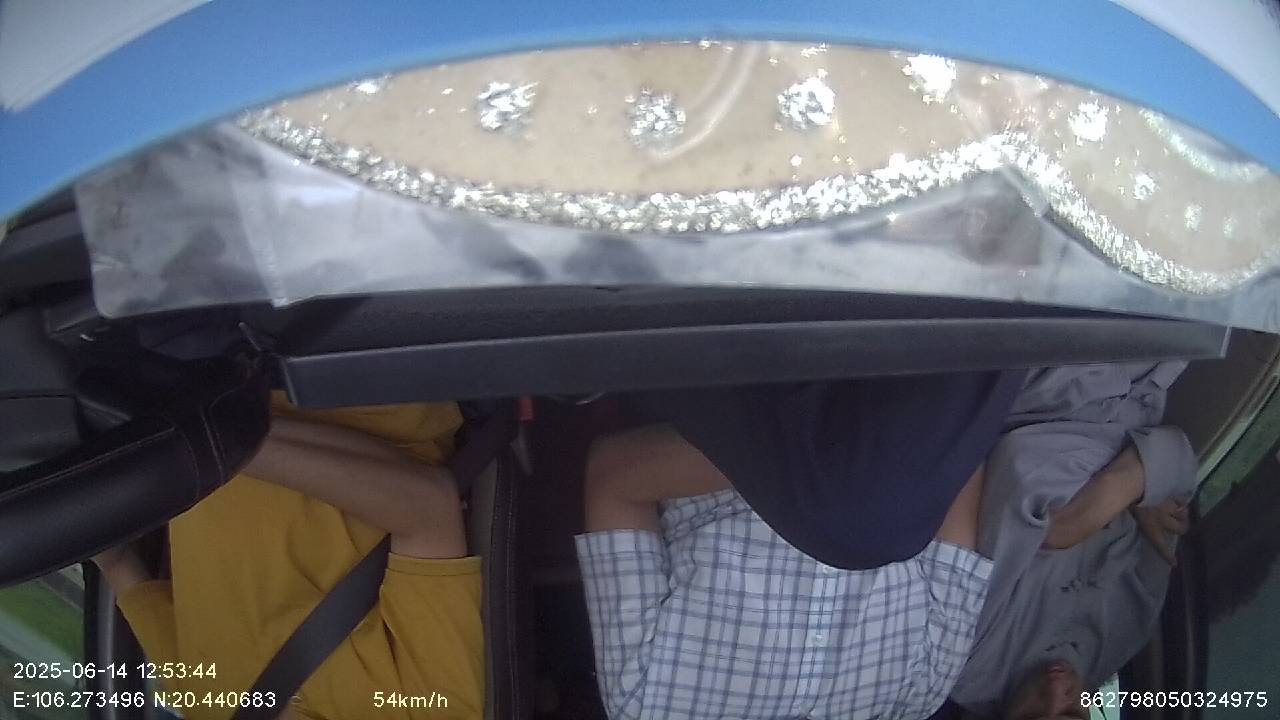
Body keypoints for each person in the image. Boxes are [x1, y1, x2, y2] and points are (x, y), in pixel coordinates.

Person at [576, 370, 1026, 720]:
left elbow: (613, 477)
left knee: (858, 523)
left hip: (740, 381)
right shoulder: (921, 694)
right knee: (867, 517)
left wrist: (804, 467)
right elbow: (959, 471)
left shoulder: (649, 703)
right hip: (895, 384)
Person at [91, 396, 484, 720]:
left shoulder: (202, 703)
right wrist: (223, 444)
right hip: (356, 385)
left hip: (194, 387)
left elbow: (115, 561)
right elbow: (429, 506)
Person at [950, 361, 1197, 719]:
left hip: (1046, 378)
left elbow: (1023, 464)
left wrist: (1136, 479)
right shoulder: (1120, 641)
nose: (1055, 691)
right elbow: (1178, 469)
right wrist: (1118, 489)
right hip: (1150, 382)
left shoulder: (961, 661)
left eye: (1033, 716)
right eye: (1073, 713)